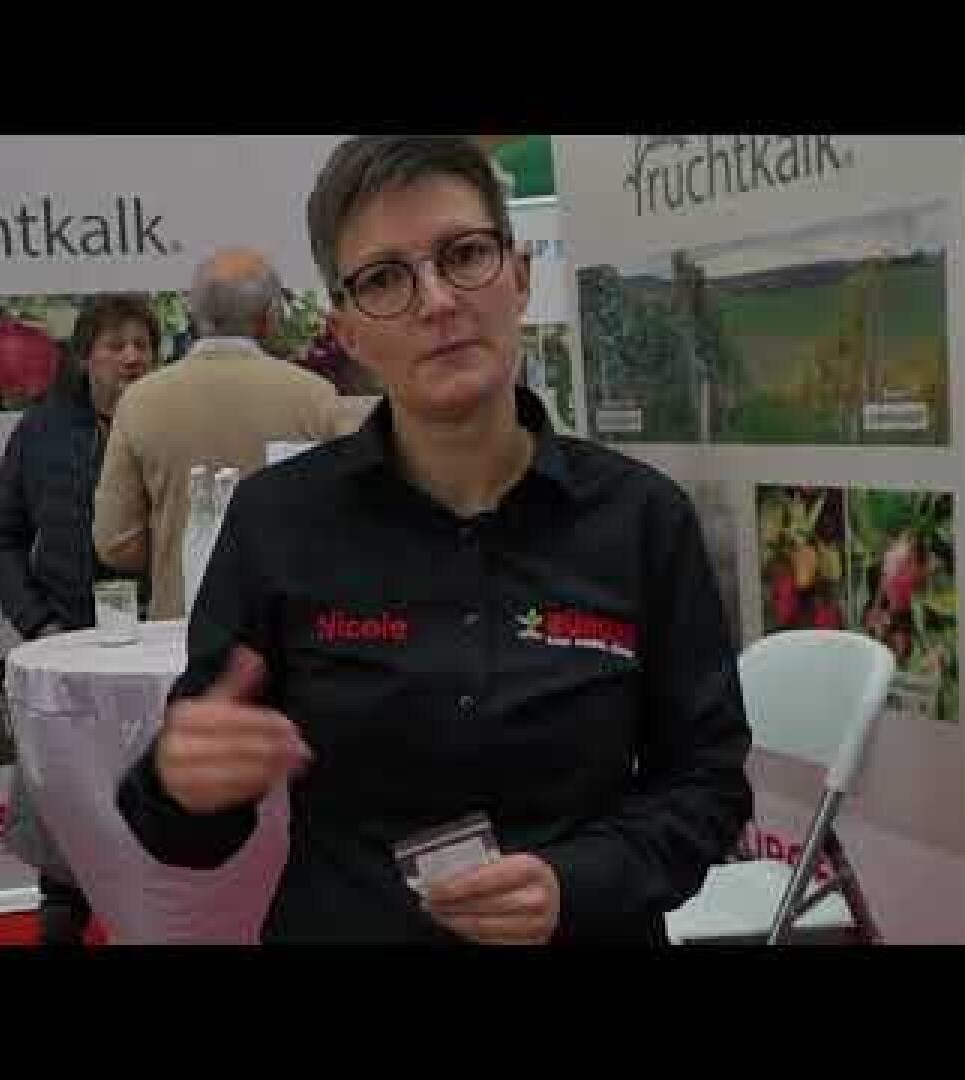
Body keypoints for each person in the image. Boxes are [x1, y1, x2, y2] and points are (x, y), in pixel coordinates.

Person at [116, 136, 752, 945]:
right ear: (346, 331)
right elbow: (186, 836)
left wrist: (577, 880)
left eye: (465, 254)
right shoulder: (277, 523)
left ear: (519, 277)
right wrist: (177, 785)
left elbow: (707, 785)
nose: (437, 299)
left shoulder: (641, 518)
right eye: (386, 278)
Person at [0, 293, 157, 945]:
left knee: (165, 832)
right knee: (62, 855)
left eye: (143, 344)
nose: (132, 357)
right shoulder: (40, 431)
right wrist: (38, 627)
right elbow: (1, 538)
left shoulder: (166, 422)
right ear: (86, 358)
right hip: (72, 658)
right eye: (116, 345)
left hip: (160, 663)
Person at [93, 248, 345, 621]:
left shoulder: (140, 401)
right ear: (269, 319)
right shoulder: (315, 398)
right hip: (290, 629)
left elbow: (115, 543)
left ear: (194, 315)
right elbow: (342, 526)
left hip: (182, 630)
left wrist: (177, 543)